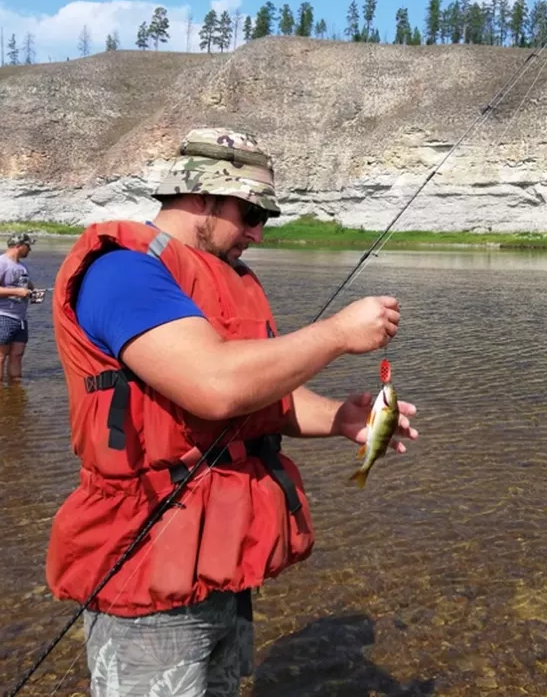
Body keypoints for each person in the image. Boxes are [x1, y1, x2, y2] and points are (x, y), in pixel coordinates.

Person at [46, 128, 418, 697]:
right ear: (200, 196)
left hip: (217, 560)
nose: (258, 233)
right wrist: (338, 334)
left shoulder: (227, 279)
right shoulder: (123, 272)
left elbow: (259, 399)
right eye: (248, 213)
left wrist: (342, 419)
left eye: (264, 217)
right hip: (147, 564)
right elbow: (214, 386)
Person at [0, 232, 36, 381]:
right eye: (28, 246)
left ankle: (16, 389)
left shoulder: (22, 266)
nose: (30, 250)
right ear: (19, 246)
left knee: (17, 354)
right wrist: (17, 291)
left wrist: (33, 293)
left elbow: (27, 287)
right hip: (1, 315)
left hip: (20, 318)